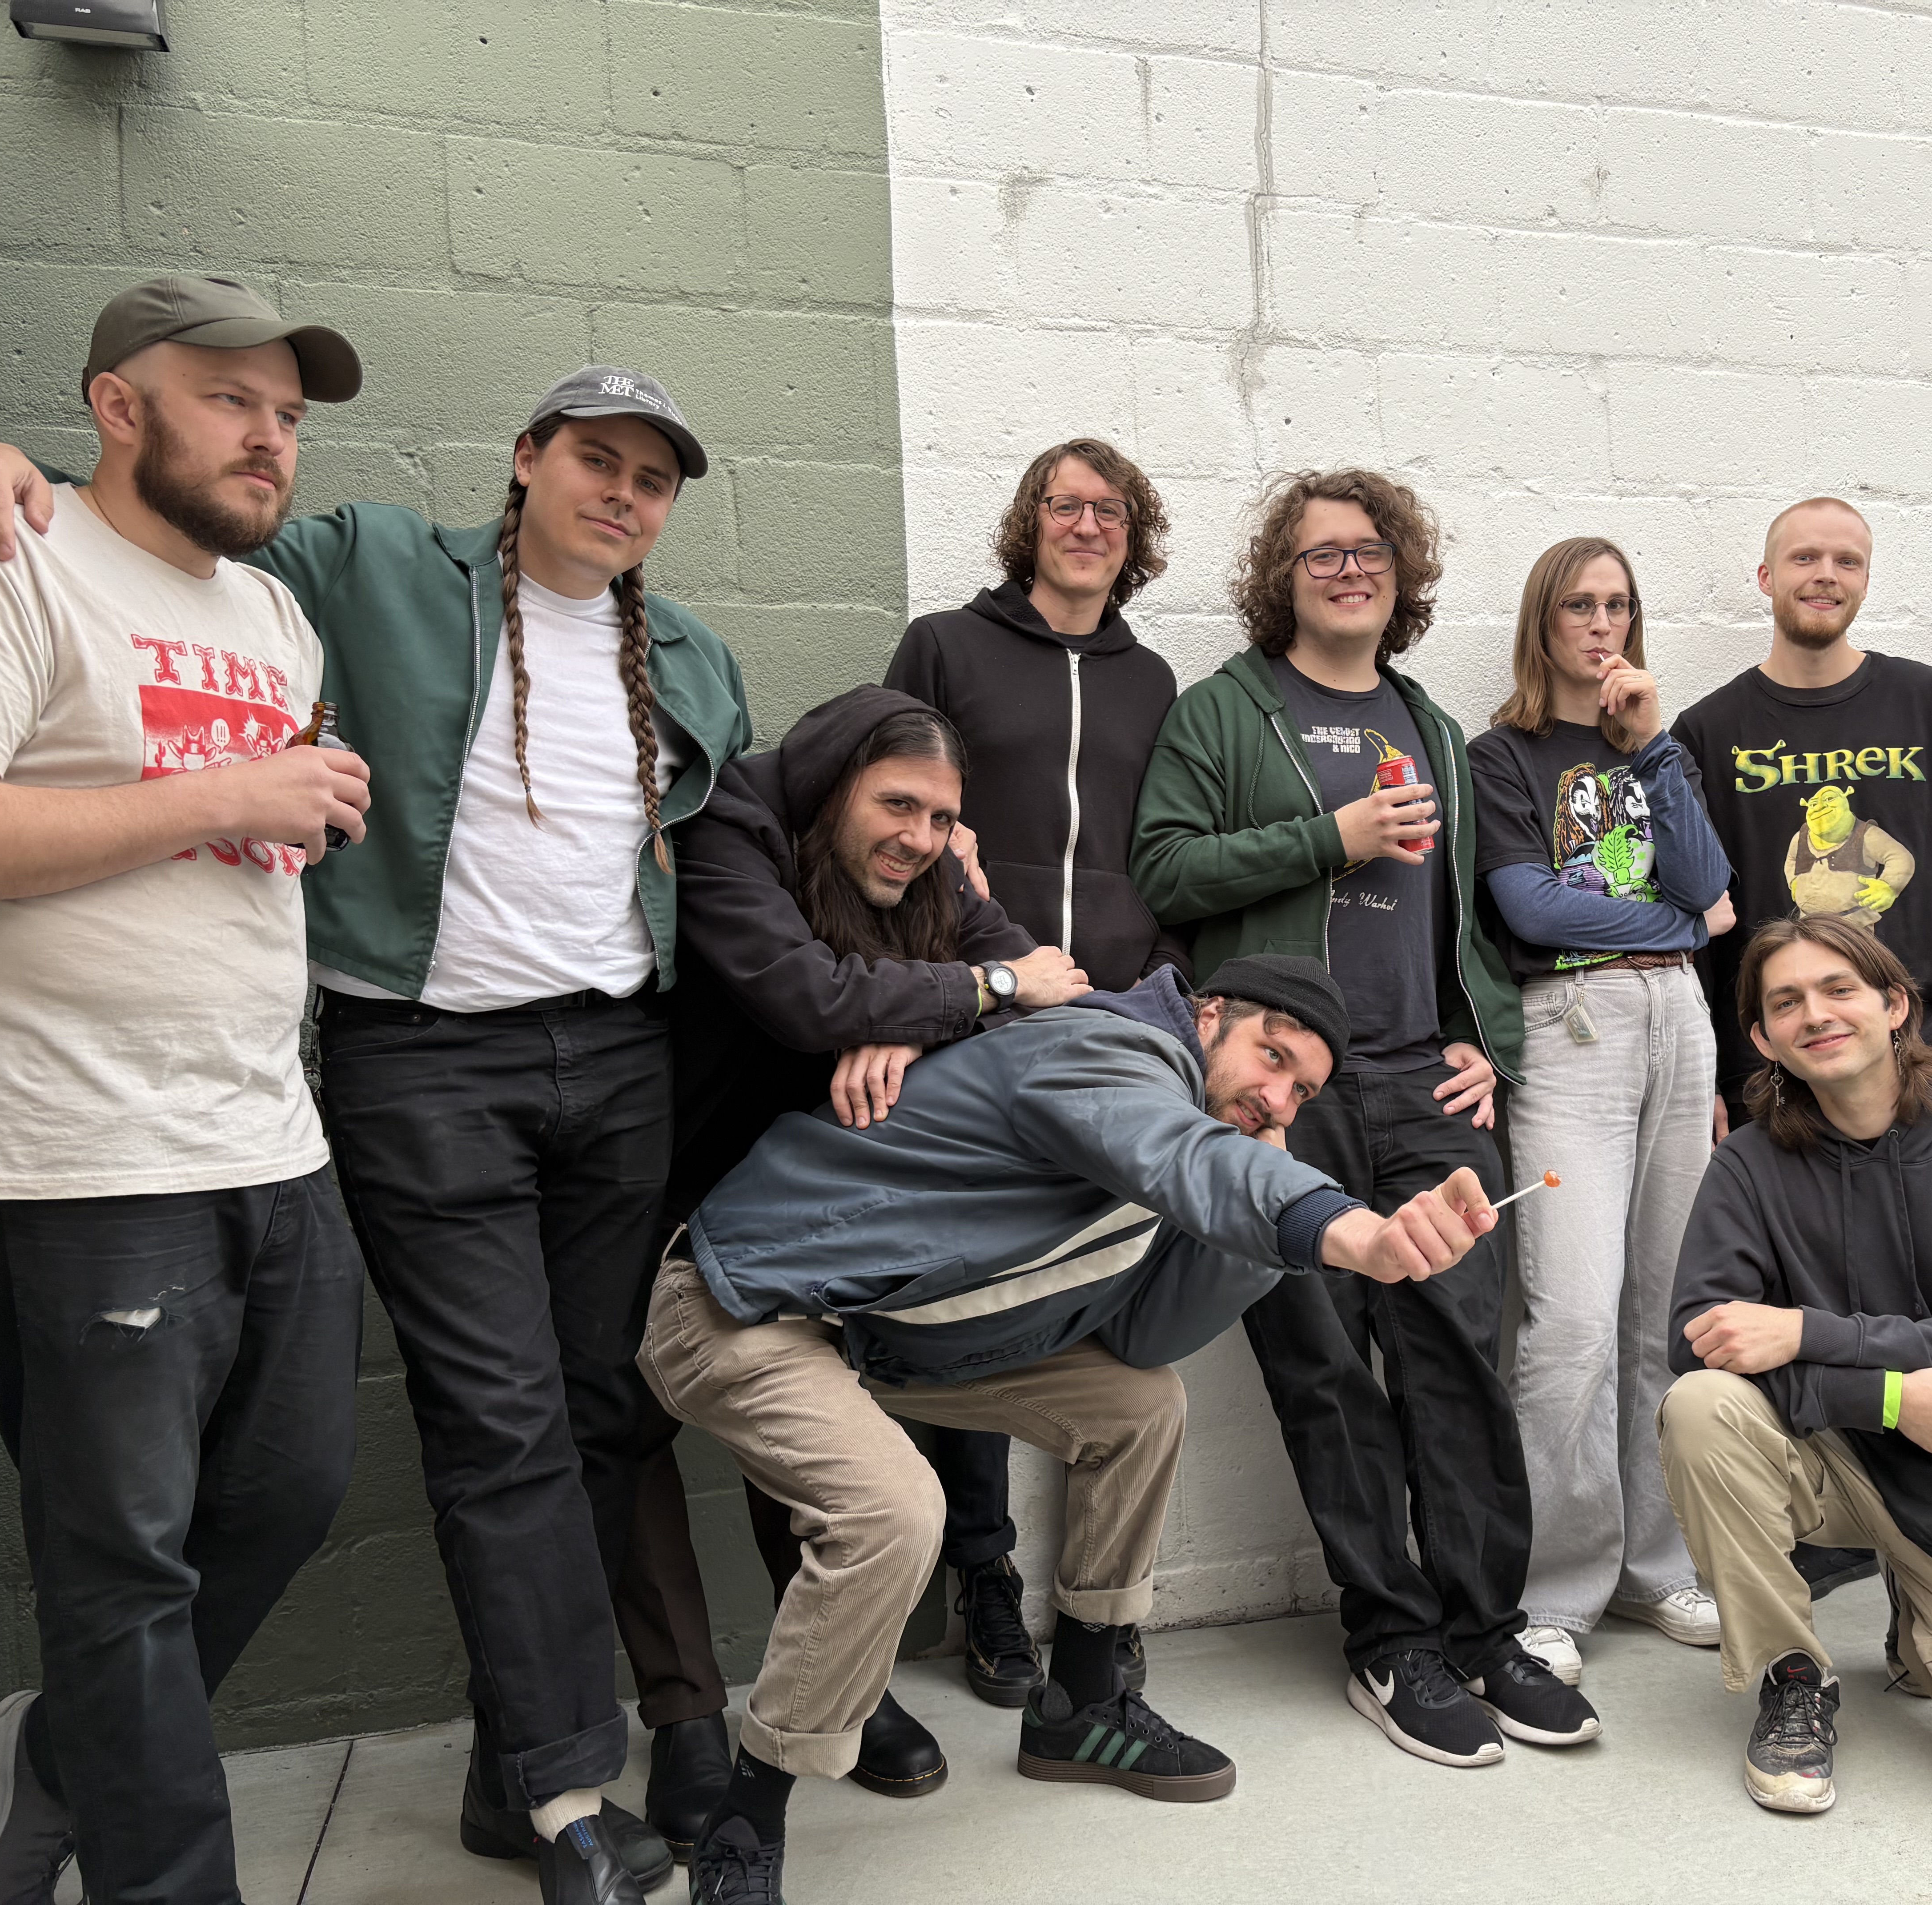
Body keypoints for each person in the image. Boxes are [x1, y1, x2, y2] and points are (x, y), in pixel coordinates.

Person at [0, 367, 753, 1901]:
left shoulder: (692, 656)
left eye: (653, 476)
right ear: (525, 460)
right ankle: (571, 1792)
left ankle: (524, 1771)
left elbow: (728, 860)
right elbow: (156, 530)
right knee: (499, 1420)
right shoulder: (368, 563)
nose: (622, 492)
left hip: (618, 1060)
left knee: (590, 1414)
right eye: (594, 457)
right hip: (424, 1063)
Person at [644, 955, 1499, 1901]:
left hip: (880, 1336)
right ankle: (746, 1818)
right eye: (1273, 1057)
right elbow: (1182, 1155)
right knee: (894, 1511)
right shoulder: (1106, 1049)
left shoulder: (1187, 1138)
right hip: (740, 1304)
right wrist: (1345, 1232)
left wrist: (1262, 1230)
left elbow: (1144, 1338)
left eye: (1301, 1091)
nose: (1278, 1098)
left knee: (1140, 1408)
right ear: (1208, 1014)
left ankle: (1083, 1701)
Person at [0, 276, 373, 1905]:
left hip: (263, 1130)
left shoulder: (271, 615)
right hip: (68, 1154)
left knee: (295, 1488)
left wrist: (284, 807)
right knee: (119, 1576)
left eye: (291, 414)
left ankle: (62, 1753)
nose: (271, 438)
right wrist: (226, 789)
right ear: (120, 407)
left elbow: (223, 829)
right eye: (232, 400)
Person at [1134, 469, 1599, 1768]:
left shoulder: (1435, 727)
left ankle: (1486, 1625)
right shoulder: (1223, 712)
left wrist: (1486, 1039)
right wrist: (1326, 837)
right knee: (1328, 1368)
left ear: (1401, 582)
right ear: (1282, 576)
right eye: (1322, 553)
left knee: (1457, 1346)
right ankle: (1389, 1637)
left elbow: (1473, 925)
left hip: (1424, 1083)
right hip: (1289, 1092)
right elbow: (1165, 867)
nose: (1350, 570)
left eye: (1372, 554)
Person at [641, 682, 1094, 1816]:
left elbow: (1057, 990)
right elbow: (806, 995)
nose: (919, 838)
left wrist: (920, 1010)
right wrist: (971, 989)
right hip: (651, 1181)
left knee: (805, 1453)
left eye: (942, 820)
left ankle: (846, 1688)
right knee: (622, 1445)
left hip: (790, 1211)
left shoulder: (926, 872)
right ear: (836, 780)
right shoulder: (733, 826)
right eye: (897, 805)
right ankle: (686, 1716)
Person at [1662, 915, 1932, 1817]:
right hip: (1822, 1460)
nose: (1815, 1016)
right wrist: (1895, 1395)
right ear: (1762, 1039)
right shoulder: (1748, 1166)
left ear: (1894, 1004)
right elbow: (1699, 1341)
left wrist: (1802, 1333)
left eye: (1839, 990)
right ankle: (1794, 1676)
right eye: (1785, 1004)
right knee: (1703, 1406)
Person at [1671, 495, 1932, 1605]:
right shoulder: (1710, 729)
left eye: (1848, 559)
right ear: (1764, 576)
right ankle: (1820, 1533)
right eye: (1805, 558)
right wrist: (1726, 1078)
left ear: (1867, 578)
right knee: (1793, 1278)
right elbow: (1698, 918)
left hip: (1927, 1061)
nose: (1826, 574)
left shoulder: (1930, 703)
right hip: (1782, 1078)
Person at [880, 436, 1182, 1706]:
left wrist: (1150, 977)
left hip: (1103, 1021)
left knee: (1105, 1300)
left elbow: (1158, 842)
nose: (1086, 524)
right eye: (1065, 504)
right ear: (1030, 522)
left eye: (1109, 509)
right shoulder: (948, 646)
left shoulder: (1152, 675)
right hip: (979, 1006)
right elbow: (884, 802)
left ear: (1133, 533)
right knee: (975, 1297)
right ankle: (987, 1579)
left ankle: (1099, 1611)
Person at [1466, 536, 1734, 1680]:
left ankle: (1659, 1566)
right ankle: (1555, 1591)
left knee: (1662, 1317)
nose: (1602, 625)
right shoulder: (1502, 754)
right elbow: (1530, 910)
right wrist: (1684, 928)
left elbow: (1714, 887)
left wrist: (1657, 744)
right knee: (1571, 1319)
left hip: (1681, 1028)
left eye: (1620, 604)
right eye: (1580, 605)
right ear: (1544, 620)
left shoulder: (1654, 752)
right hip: (1572, 1034)